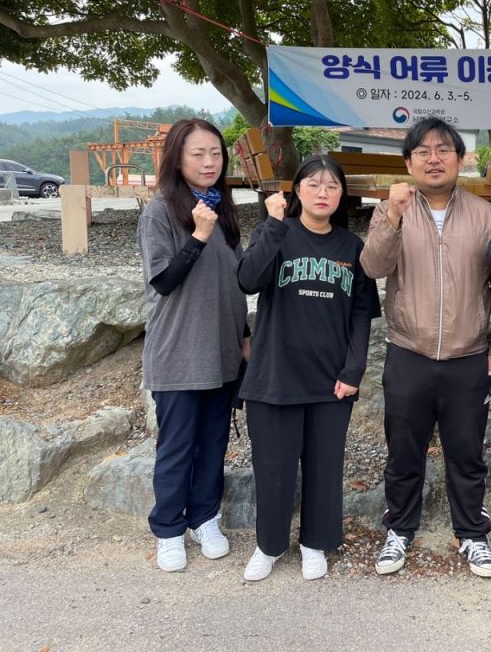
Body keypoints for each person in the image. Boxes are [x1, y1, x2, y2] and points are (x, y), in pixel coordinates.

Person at [360, 117, 491, 578]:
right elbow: (372, 266)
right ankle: (399, 528)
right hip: (408, 350)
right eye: (423, 152)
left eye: (444, 150)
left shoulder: (487, 215)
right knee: (403, 450)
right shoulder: (391, 210)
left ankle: (472, 533)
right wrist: (393, 216)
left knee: (466, 452)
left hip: (468, 355)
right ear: (408, 162)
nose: (434, 159)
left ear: (461, 159)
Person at [237, 155, 381, 582]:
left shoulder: (352, 248)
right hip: (275, 376)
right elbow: (248, 280)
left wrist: (353, 371)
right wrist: (273, 224)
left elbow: (362, 315)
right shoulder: (275, 233)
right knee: (273, 469)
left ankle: (315, 542)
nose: (323, 193)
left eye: (332, 186)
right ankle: (269, 545)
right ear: (297, 190)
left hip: (329, 380)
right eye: (314, 184)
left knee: (324, 467)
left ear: (342, 195)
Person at [137, 118, 249, 572]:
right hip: (178, 353)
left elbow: (236, 281)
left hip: (222, 350)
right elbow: (164, 281)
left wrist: (245, 336)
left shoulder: (223, 210)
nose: (209, 162)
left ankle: (205, 518)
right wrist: (199, 236)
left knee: (213, 442)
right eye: (198, 153)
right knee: (177, 446)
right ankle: (168, 529)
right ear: (177, 158)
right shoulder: (160, 211)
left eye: (216, 153)